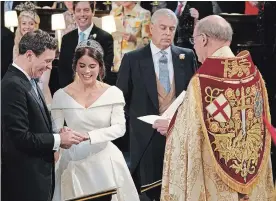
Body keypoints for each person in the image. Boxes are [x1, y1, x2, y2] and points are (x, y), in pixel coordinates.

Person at [158, 15, 275, 200]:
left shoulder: (202, 82)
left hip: (214, 177)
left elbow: (188, 134)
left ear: (203, 39)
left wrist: (170, 128)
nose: (194, 46)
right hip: (251, 171)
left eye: (194, 40)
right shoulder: (254, 75)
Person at [116, 8, 197, 201]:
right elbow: (121, 99)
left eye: (171, 28)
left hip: (177, 137)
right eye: (163, 28)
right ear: (151, 28)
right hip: (144, 140)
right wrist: (137, 126)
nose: (168, 33)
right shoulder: (132, 59)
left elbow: (193, 97)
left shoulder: (186, 57)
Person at [1, 29, 87, 201]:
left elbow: (36, 124)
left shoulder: (28, 80)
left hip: (37, 178)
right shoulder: (12, 85)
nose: (49, 66)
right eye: (47, 61)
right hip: (24, 182)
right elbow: (21, 137)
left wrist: (57, 135)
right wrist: (58, 140)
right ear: (30, 55)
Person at [52, 39, 140, 201]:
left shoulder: (113, 93)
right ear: (75, 66)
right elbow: (55, 130)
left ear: (100, 67)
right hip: (73, 161)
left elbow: (119, 128)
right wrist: (62, 132)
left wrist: (90, 136)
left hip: (105, 161)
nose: (87, 71)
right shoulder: (60, 96)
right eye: (82, 65)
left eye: (92, 66)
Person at [58, 1, 114, 87]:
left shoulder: (105, 38)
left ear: (93, 12)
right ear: (74, 13)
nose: (82, 14)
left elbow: (105, 70)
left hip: (95, 91)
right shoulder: (66, 39)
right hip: (70, 92)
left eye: (86, 10)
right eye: (78, 10)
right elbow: (62, 70)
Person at [13, 1, 53, 108]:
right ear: (19, 25)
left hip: (40, 95)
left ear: (36, 26)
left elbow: (43, 82)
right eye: (24, 23)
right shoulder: (15, 46)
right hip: (19, 95)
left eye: (31, 23)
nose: (27, 27)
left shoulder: (44, 46)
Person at [110, 1, 151, 72]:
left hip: (134, 65)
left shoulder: (144, 14)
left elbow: (149, 42)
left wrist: (134, 39)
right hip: (115, 66)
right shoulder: (114, 13)